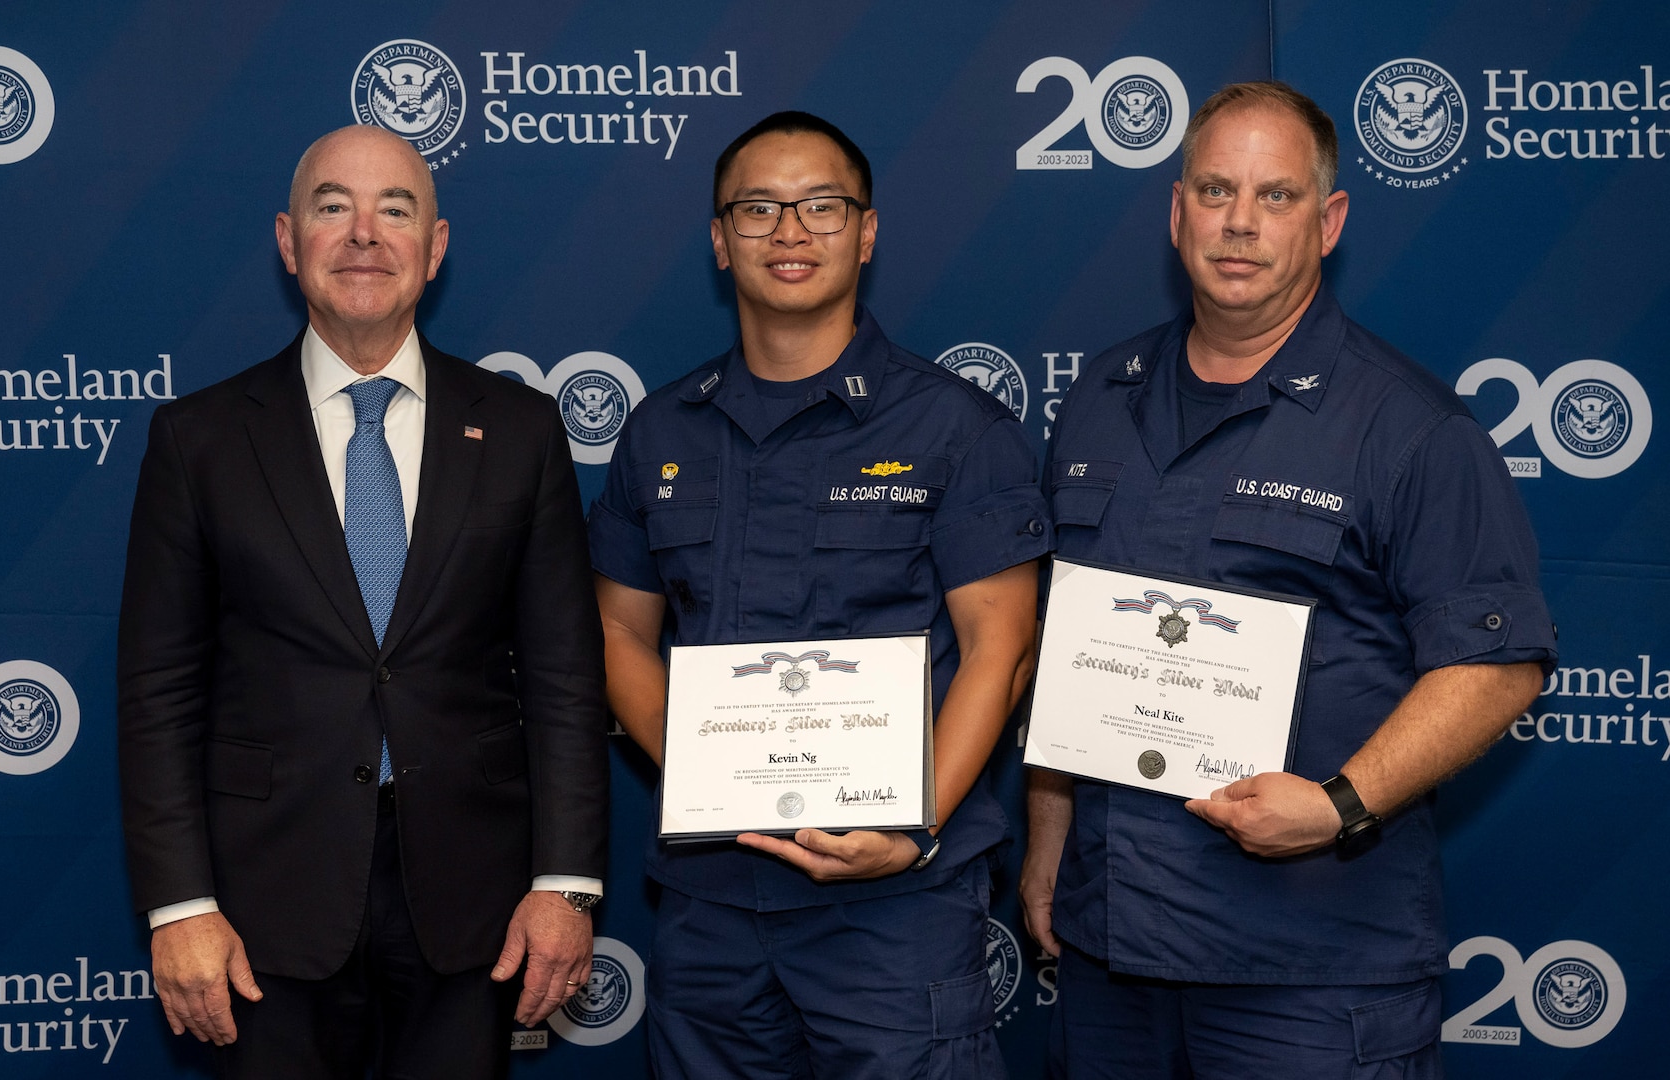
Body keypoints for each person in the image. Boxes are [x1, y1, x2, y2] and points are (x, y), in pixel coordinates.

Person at [1022, 81, 1556, 1078]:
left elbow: (1499, 662)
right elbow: (1071, 636)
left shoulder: (1408, 426)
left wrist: (1340, 805)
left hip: (1310, 968)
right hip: (1111, 953)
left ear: (1329, 220)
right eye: (1216, 190)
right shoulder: (1099, 397)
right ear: (1176, 211)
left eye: (1275, 196)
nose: (1239, 222)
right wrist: (1047, 836)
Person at [116, 124, 609, 1078]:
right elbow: (158, 691)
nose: (363, 234)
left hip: (474, 901)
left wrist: (566, 886)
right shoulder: (200, 438)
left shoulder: (520, 429)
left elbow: (563, 677)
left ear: (436, 245)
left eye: (397, 209)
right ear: (287, 239)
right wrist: (179, 906)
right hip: (264, 905)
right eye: (332, 206)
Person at [587, 111, 1049, 1079]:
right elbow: (618, 634)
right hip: (712, 902)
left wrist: (912, 827)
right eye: (757, 208)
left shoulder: (955, 429)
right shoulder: (659, 432)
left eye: (820, 207)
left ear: (866, 232)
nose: (789, 232)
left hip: (896, 909)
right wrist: (712, 771)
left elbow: (1001, 649)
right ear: (720, 241)